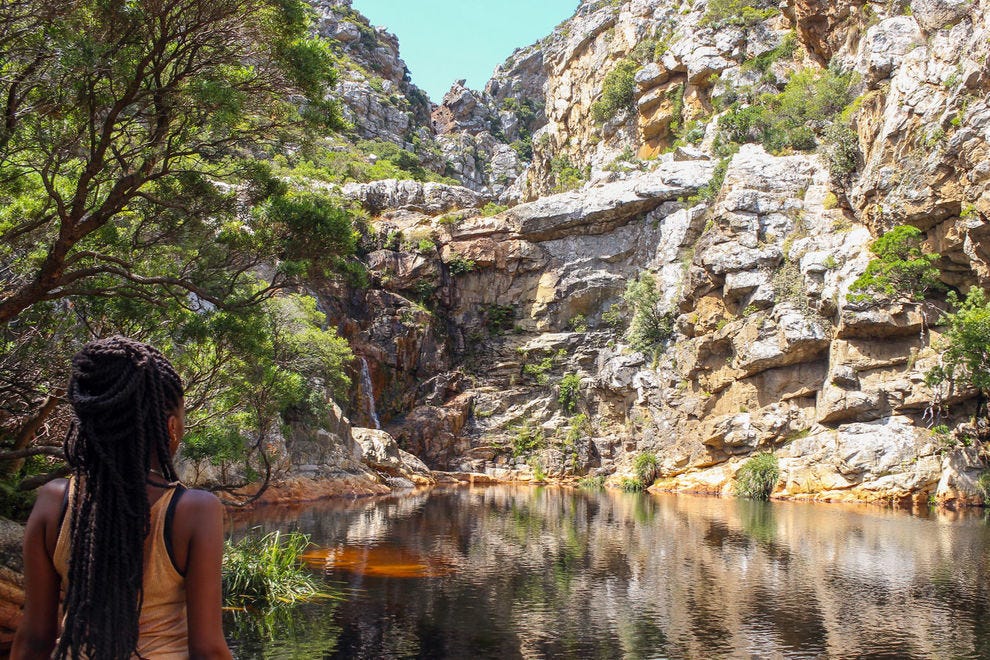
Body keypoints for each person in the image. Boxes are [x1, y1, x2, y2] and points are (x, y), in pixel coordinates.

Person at [11, 336, 232, 659]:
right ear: (170, 427)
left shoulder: (53, 501)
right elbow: (208, 649)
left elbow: (34, 638)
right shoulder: (194, 510)